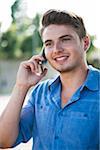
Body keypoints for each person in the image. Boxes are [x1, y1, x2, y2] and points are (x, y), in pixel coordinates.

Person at [0, 9, 99, 150]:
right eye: (49, 43)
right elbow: (4, 140)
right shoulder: (40, 93)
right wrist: (21, 86)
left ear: (85, 43)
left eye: (65, 39)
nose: (56, 49)